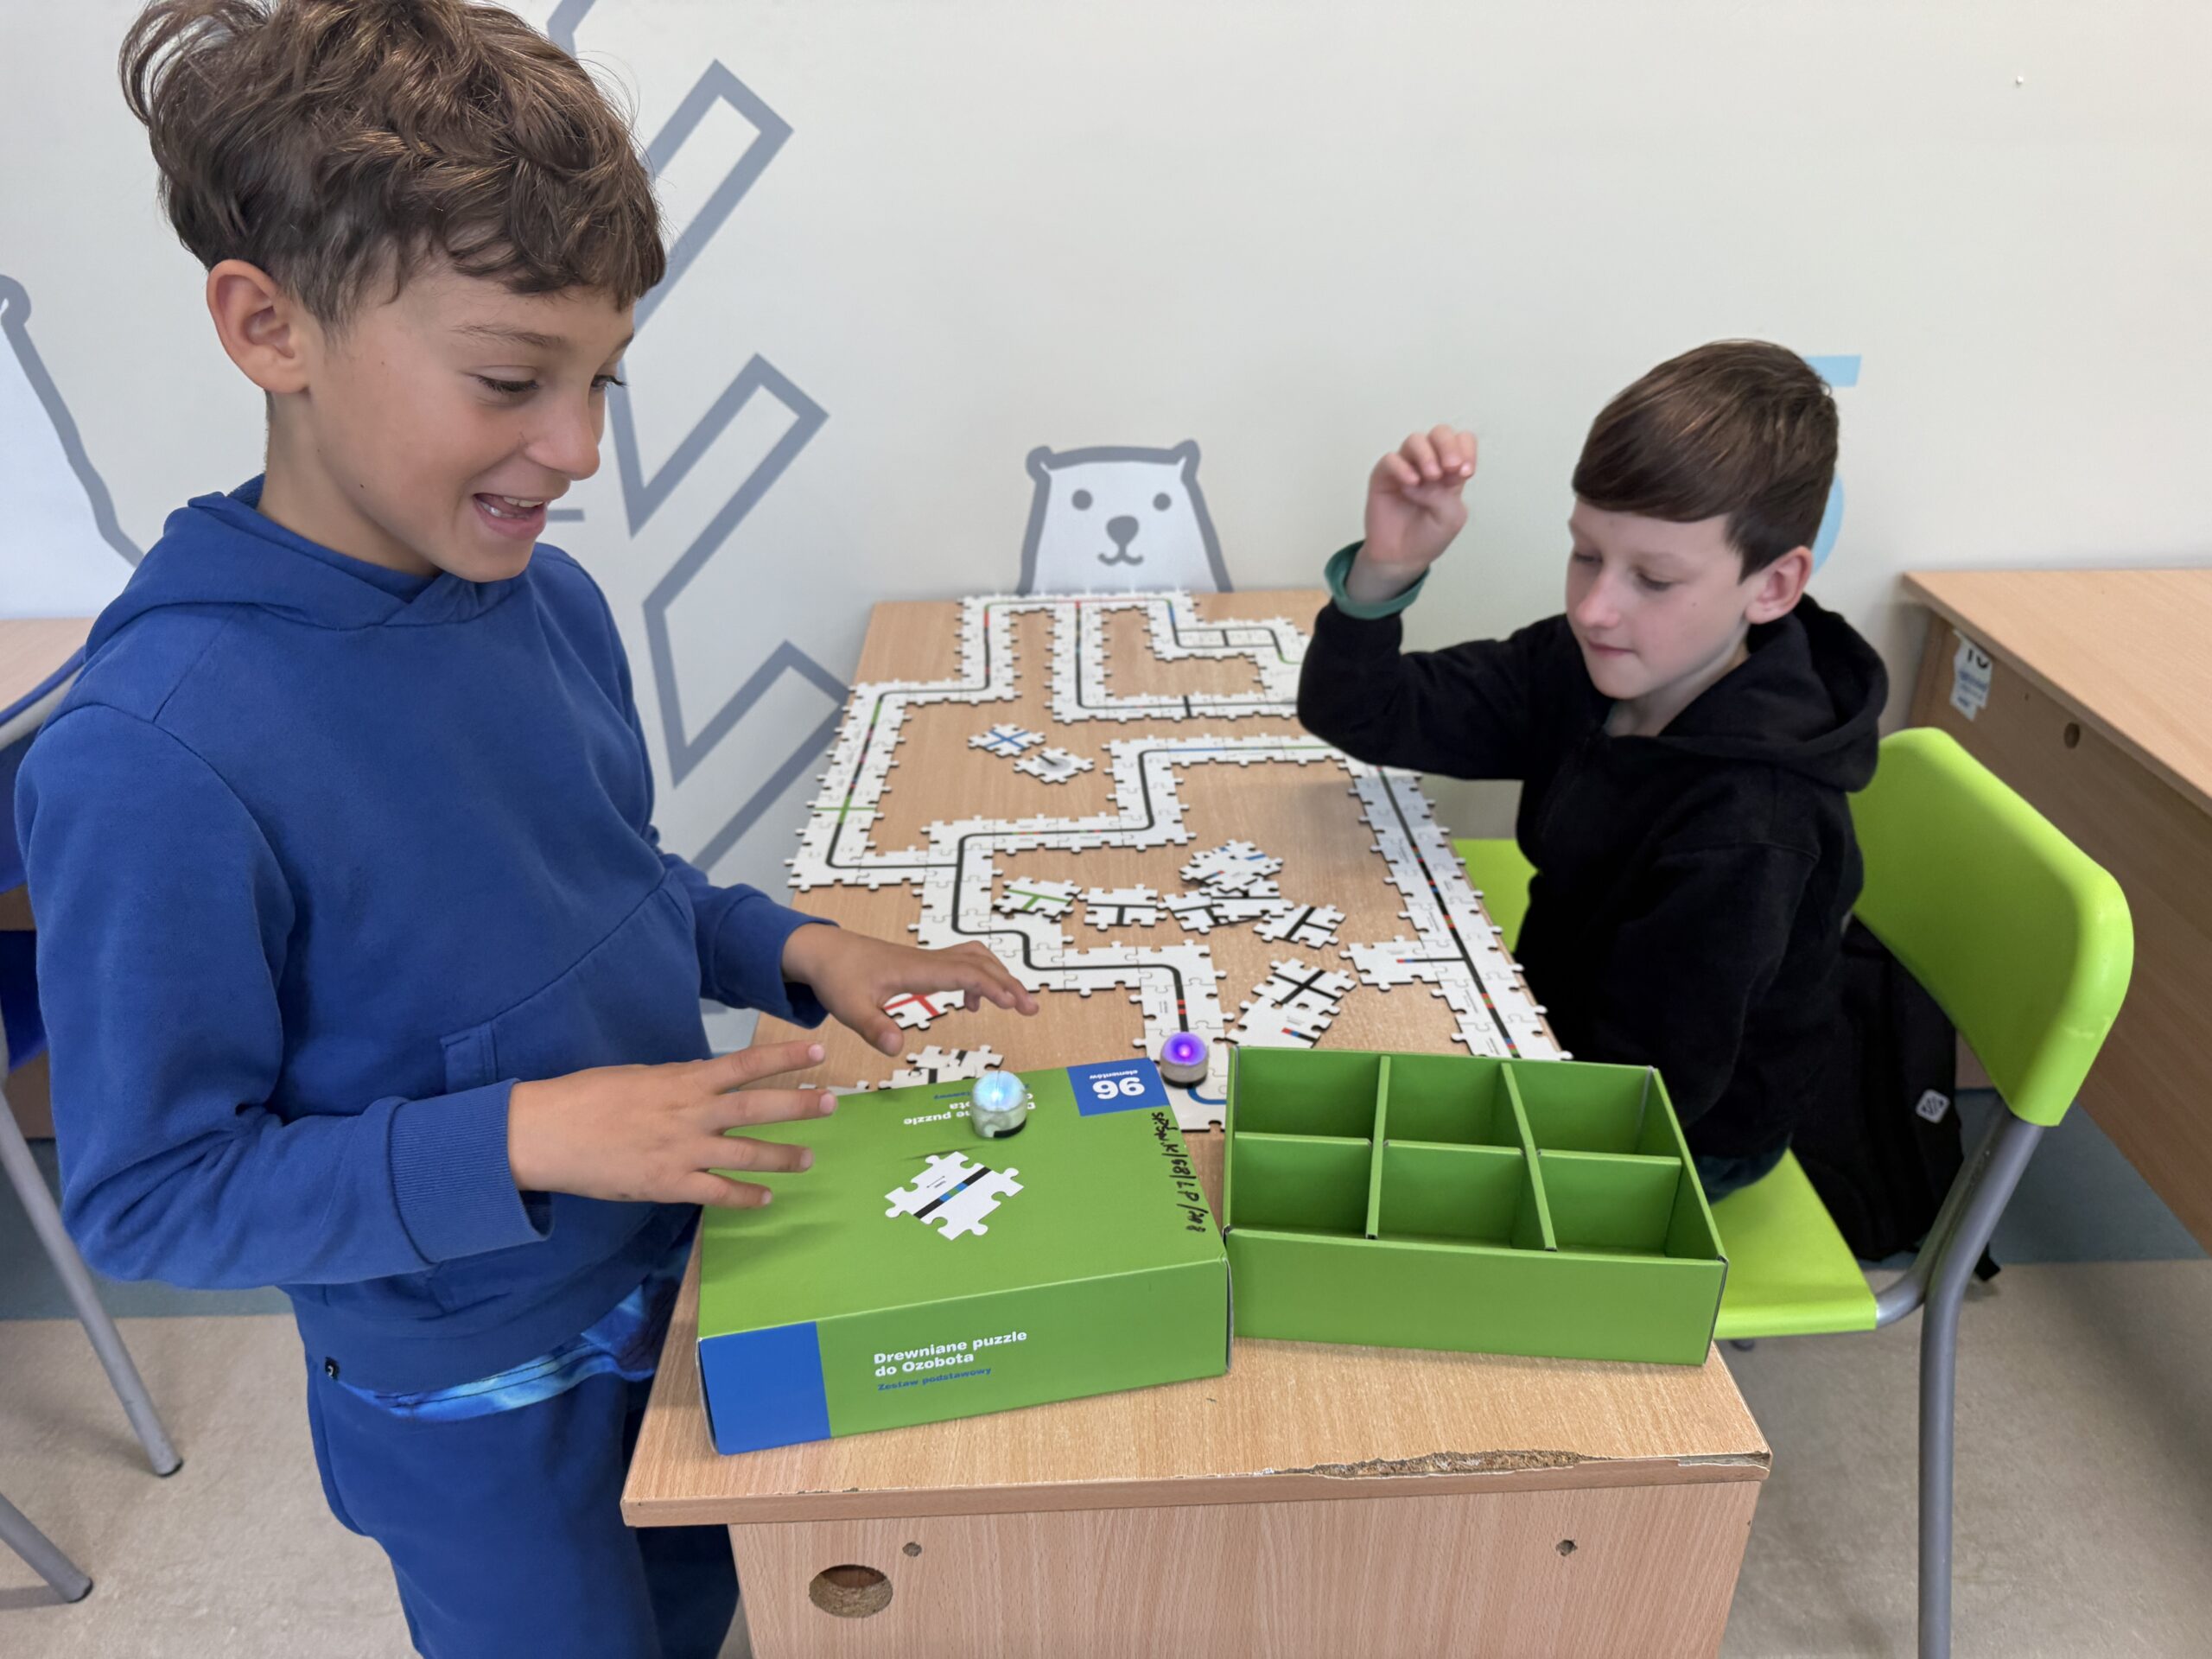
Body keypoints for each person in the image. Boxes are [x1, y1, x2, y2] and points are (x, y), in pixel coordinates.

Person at [14, 3, 1035, 1653]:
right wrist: (526, 1135)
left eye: (598, 379)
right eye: (510, 378)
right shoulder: (150, 755)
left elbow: (609, 886)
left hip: (691, 1268)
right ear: (269, 325)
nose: (578, 450)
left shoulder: (546, 602)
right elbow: (154, 1196)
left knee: (722, 1602)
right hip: (473, 1406)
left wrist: (798, 947)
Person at [1297, 341, 1887, 1202]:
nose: (1594, 608)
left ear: (1772, 586)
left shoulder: (1752, 827)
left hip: (1686, 1130)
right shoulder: (1582, 666)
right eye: (1585, 555)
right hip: (1557, 1026)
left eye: (1654, 578)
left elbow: (1638, 1105)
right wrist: (1387, 570)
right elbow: (1361, 711)